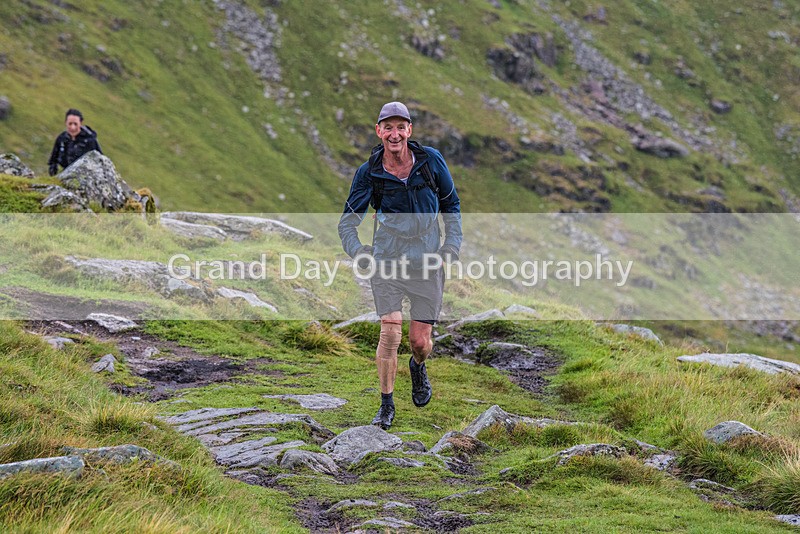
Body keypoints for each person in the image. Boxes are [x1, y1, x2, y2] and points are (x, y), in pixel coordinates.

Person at [338, 101, 462, 429]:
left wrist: (451, 245)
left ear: (410, 130)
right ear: (379, 132)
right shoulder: (370, 173)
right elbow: (347, 224)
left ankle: (418, 366)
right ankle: (386, 403)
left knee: (420, 342)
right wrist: (359, 252)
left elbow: (451, 204)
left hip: (427, 263)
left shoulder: (430, 161)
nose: (394, 134)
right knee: (390, 332)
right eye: (387, 127)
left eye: (400, 127)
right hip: (387, 262)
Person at [48, 108, 102, 176]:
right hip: (66, 175)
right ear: (65, 123)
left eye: (75, 124)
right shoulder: (61, 139)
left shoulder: (90, 140)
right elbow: (53, 160)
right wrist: (53, 169)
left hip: (86, 177)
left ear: (81, 123)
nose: (72, 127)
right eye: (70, 124)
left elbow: (101, 161)